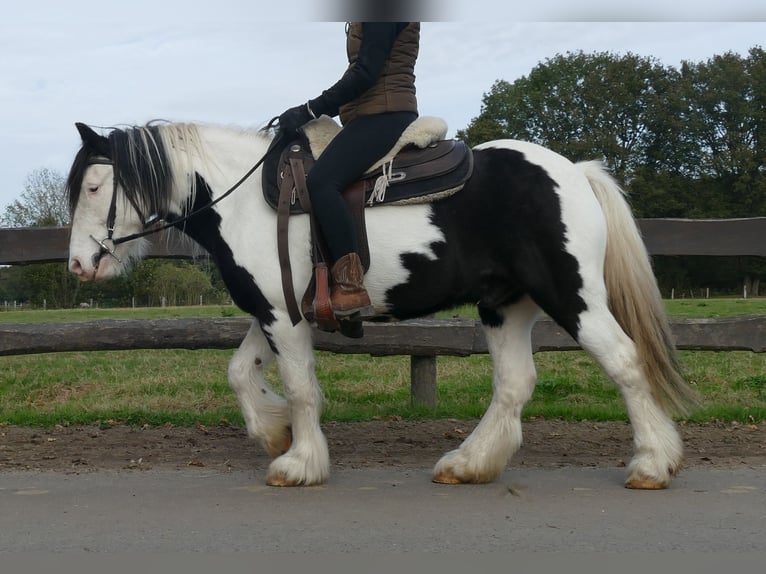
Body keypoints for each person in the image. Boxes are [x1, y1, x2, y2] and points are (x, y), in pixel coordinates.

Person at [277, 22, 420, 319]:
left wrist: (310, 109)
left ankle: (350, 285)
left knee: (321, 182)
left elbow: (366, 72)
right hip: (370, 114)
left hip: (386, 114)